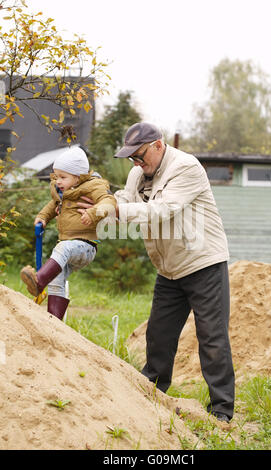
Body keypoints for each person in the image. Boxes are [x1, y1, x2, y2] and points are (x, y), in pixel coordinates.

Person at [79, 122, 235, 423]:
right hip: (169, 268)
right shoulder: (138, 172)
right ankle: (151, 396)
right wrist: (104, 203)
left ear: (158, 145)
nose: (137, 164)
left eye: (140, 156)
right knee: (159, 336)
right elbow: (126, 200)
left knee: (212, 338)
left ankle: (222, 411)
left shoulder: (186, 168)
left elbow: (161, 211)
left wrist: (117, 212)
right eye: (132, 159)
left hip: (203, 263)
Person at [20, 146, 116, 320]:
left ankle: (39, 281)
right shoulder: (62, 192)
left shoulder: (93, 186)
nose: (58, 181)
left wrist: (94, 213)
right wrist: (42, 217)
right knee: (57, 280)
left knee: (63, 247)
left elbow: (109, 201)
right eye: (56, 177)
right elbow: (52, 206)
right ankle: (54, 322)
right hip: (69, 247)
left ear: (78, 177)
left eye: (63, 177)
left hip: (85, 246)